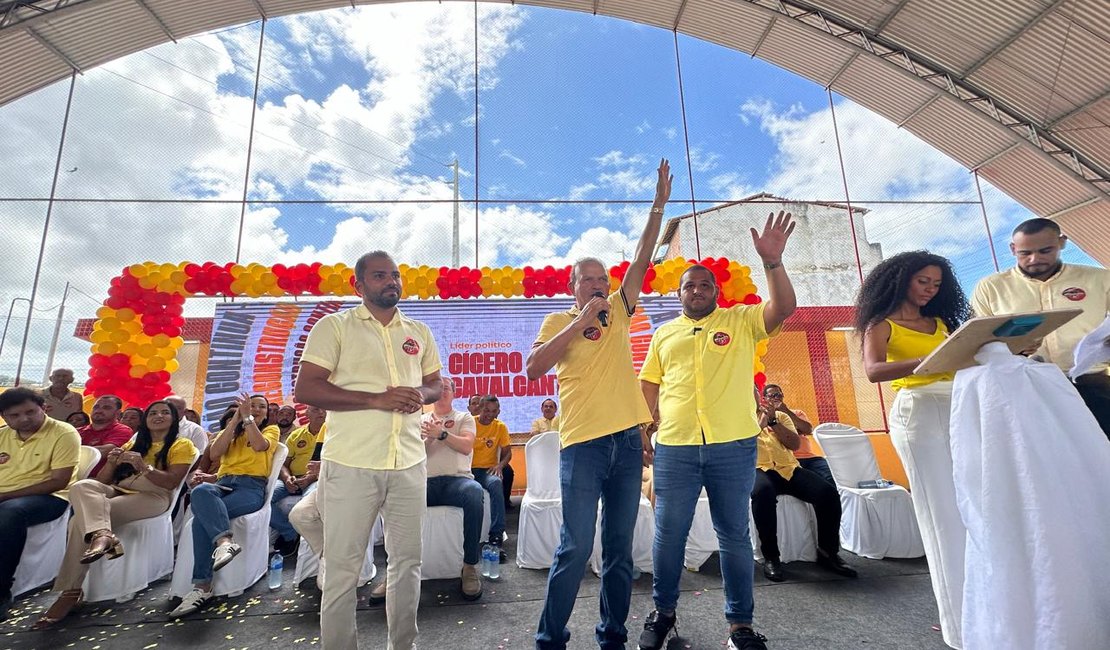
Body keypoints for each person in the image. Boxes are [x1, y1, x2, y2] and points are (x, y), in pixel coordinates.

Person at [635, 212, 797, 650]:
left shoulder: (741, 321)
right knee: (668, 533)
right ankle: (663, 614)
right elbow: (649, 384)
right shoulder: (663, 335)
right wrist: (641, 429)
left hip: (733, 446)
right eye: (690, 285)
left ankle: (740, 626)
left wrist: (773, 263)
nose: (698, 290)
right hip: (675, 448)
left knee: (733, 534)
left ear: (716, 291)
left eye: (705, 284)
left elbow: (783, 308)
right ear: (679, 292)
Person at [527, 159, 670, 650]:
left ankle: (613, 635)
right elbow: (533, 369)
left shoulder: (622, 313)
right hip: (582, 447)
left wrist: (657, 206)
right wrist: (580, 319)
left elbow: (642, 256)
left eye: (602, 279)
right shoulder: (555, 322)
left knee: (619, 553)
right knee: (574, 547)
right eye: (588, 280)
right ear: (573, 287)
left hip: (627, 445)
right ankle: (550, 638)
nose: (599, 284)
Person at [294, 250, 442, 650]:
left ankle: (403, 644)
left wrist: (419, 395)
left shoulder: (418, 332)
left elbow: (435, 385)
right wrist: (377, 399)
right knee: (343, 569)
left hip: (410, 462)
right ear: (357, 285)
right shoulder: (334, 327)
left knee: (408, 563)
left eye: (395, 275)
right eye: (380, 276)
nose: (391, 282)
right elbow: (306, 389)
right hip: (351, 464)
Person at [856, 250, 970, 650]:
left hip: (960, 409)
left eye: (937, 284)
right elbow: (873, 371)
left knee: (968, 505)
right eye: (923, 281)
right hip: (918, 413)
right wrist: (929, 361)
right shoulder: (880, 324)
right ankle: (958, 622)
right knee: (939, 511)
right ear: (901, 279)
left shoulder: (941, 323)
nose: (930, 289)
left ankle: (983, 601)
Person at [32, 401, 197, 629]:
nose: (158, 416)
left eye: (165, 413)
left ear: (174, 419)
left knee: (76, 523)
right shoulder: (135, 441)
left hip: (153, 495)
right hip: (119, 488)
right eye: (153, 413)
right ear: (145, 419)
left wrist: (144, 466)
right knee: (82, 487)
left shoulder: (182, 444)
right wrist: (111, 462)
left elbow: (171, 482)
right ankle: (102, 534)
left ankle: (70, 592)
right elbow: (102, 482)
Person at [971, 217, 1110, 439]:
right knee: (1048, 459)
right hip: (1027, 386)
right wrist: (1013, 348)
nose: (1035, 259)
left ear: (1062, 242)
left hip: (1093, 383)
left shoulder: (1100, 279)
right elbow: (979, 341)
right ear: (1012, 249)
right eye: (1025, 253)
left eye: (1045, 250)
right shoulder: (991, 288)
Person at [372, 377, 484, 602]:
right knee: (393, 497)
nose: (443, 392)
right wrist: (430, 438)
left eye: (447, 389)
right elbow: (409, 453)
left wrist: (441, 434)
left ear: (454, 393)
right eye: (439, 389)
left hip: (457, 482)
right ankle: (393, 572)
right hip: (424, 482)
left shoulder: (464, 418)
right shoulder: (418, 419)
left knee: (474, 491)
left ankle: (470, 566)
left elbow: (465, 446)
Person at [169, 393, 280, 618]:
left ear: (267, 414)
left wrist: (248, 419)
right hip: (222, 483)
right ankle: (225, 542)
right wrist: (234, 422)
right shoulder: (228, 432)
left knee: (201, 520)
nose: (256, 409)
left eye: (261, 407)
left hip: (251, 488)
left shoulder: (271, 430)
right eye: (251, 405)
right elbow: (216, 453)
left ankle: (202, 587)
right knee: (201, 491)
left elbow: (259, 446)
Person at [751, 398, 856, 582]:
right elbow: (740, 448)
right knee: (762, 493)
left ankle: (828, 553)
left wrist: (773, 422)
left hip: (789, 469)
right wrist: (758, 426)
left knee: (828, 493)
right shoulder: (737, 421)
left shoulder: (780, 416)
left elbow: (794, 445)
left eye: (755, 391)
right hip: (759, 469)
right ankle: (771, 557)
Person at [0, 388, 80, 621]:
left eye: (30, 412)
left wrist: (4, 496)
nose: (24, 419)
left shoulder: (64, 433)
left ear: (43, 408)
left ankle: (2, 590)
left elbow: (58, 481)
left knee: (7, 514)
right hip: (5, 497)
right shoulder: (3, 435)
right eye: (14, 416)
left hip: (50, 498)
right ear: (4, 417)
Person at [270, 405, 326, 557]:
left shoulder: (333, 433)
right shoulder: (296, 435)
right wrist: (287, 478)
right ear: (307, 413)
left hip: (318, 477)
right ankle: (289, 533)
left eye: (323, 409)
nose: (321, 411)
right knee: (264, 499)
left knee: (305, 505)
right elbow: (283, 464)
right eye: (315, 409)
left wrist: (310, 478)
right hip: (293, 478)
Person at [761, 384, 832, 485]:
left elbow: (807, 430)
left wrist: (786, 411)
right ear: (765, 398)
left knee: (830, 478)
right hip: (787, 462)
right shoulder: (763, 417)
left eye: (778, 395)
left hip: (809, 458)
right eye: (772, 396)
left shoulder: (797, 413)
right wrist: (795, 430)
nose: (776, 398)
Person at [471, 395, 510, 556]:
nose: (489, 414)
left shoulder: (500, 427)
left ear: (498, 412)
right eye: (486, 410)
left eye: (493, 411)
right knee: (471, 491)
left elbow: (508, 453)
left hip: (487, 470)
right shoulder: (469, 422)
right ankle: (470, 536)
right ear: (480, 408)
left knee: (496, 483)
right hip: (467, 470)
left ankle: (496, 536)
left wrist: (500, 465)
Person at [78, 395, 137, 477]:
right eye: (96, 407)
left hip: (98, 481)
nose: (99, 410)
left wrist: (67, 452)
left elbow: (106, 451)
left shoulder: (123, 430)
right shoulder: (77, 431)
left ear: (118, 413)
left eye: (106, 408)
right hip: (69, 476)